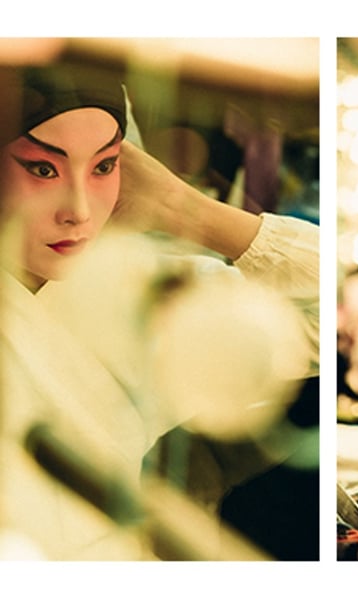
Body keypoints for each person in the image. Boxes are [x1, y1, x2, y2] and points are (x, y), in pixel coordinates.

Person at [0, 65, 319, 559]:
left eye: (104, 167)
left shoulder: (135, 296)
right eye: (44, 168)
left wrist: (182, 207)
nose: (80, 210)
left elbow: (327, 314)